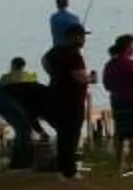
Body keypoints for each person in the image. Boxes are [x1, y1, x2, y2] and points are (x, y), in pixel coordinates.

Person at [39, 23, 94, 180]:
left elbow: (44, 61)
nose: (83, 39)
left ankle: (63, 168)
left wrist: (55, 74)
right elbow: (79, 77)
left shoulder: (55, 51)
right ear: (73, 37)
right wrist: (91, 79)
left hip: (55, 98)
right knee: (71, 136)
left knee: (63, 135)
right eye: (81, 36)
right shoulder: (74, 55)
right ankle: (68, 170)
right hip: (72, 102)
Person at [104, 34, 133, 176]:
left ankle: (118, 164)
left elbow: (107, 84)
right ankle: (132, 163)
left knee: (120, 132)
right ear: (127, 47)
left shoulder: (110, 65)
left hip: (118, 101)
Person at [0, 58, 46, 170]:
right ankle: (19, 162)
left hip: (2, 100)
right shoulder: (31, 78)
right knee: (23, 129)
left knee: (23, 129)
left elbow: (31, 113)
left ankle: (22, 161)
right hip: (7, 101)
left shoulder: (5, 77)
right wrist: (41, 131)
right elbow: (31, 112)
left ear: (13, 66)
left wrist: (40, 130)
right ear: (23, 66)